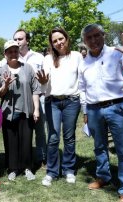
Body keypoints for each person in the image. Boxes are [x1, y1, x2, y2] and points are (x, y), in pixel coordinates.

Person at [78, 24, 123, 202]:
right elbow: (82, 89)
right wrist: (85, 112)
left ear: (103, 35)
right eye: (89, 37)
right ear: (84, 41)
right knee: (99, 147)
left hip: (117, 107)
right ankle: (103, 177)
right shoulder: (83, 63)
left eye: (96, 35)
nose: (93, 40)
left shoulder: (117, 53)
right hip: (93, 109)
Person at [36, 27, 82, 186]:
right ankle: (52, 171)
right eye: (55, 41)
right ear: (51, 43)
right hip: (52, 102)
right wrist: (42, 83)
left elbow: (82, 81)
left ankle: (68, 169)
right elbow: (44, 85)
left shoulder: (76, 56)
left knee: (69, 137)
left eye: (61, 39)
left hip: (72, 102)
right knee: (53, 137)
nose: (58, 42)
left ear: (67, 38)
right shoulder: (48, 59)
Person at [0, 40, 41, 181]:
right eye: (10, 51)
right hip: (8, 112)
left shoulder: (28, 68)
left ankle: (27, 168)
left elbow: (35, 90)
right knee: (11, 141)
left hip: (26, 110)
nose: (13, 53)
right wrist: (6, 85)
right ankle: (13, 168)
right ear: (5, 54)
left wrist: (36, 109)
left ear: (19, 52)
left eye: (15, 50)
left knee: (27, 140)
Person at [13, 29, 47, 168]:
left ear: (27, 40)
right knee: (23, 130)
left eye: (20, 39)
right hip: (22, 100)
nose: (17, 42)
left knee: (40, 130)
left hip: (40, 98)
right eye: (15, 39)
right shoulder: (12, 58)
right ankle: (23, 158)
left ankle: (41, 157)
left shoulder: (39, 57)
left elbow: (46, 77)